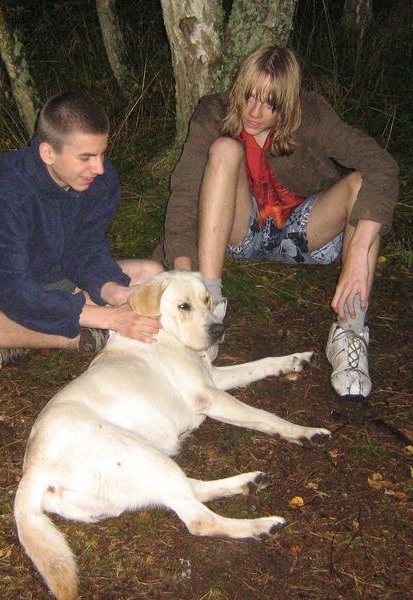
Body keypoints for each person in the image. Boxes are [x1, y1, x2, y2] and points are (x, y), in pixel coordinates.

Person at [158, 46, 399, 401]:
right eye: (249, 96)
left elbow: (383, 166)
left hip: (305, 232)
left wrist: (359, 254)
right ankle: (211, 302)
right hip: (241, 231)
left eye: (270, 103)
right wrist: (184, 278)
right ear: (238, 87)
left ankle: (349, 333)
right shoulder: (213, 113)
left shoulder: (312, 115)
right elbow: (185, 190)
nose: (255, 112)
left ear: (287, 103)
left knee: (361, 186)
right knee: (224, 149)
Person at [0, 91, 163, 376]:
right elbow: (15, 292)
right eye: (86, 157)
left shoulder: (100, 181)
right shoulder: (4, 195)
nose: (99, 168)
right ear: (48, 153)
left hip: (60, 278)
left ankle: (9, 337)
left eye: (101, 154)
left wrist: (112, 290)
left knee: (151, 273)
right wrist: (109, 318)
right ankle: (84, 336)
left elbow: (85, 249)